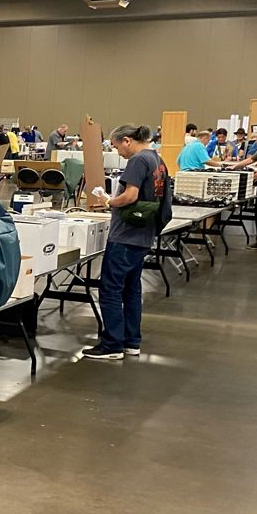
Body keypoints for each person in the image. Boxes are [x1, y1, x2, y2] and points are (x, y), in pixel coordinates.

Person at [80, 124, 169, 360]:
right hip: (142, 235)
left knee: (110, 290)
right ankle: (131, 341)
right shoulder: (158, 160)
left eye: (117, 146)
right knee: (131, 290)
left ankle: (111, 345)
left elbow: (131, 196)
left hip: (125, 235)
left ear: (127, 140)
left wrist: (109, 201)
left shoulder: (139, 161)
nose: (118, 152)